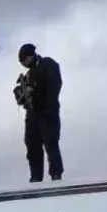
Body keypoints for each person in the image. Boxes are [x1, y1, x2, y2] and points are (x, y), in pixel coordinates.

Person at [15, 42, 63, 183]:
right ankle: (36, 177)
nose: (24, 64)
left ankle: (56, 174)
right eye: (22, 63)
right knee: (32, 145)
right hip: (32, 114)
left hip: (47, 110)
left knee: (50, 143)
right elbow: (25, 99)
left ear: (31, 55)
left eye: (25, 60)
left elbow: (55, 84)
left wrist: (50, 106)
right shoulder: (27, 76)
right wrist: (21, 95)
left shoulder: (48, 64)